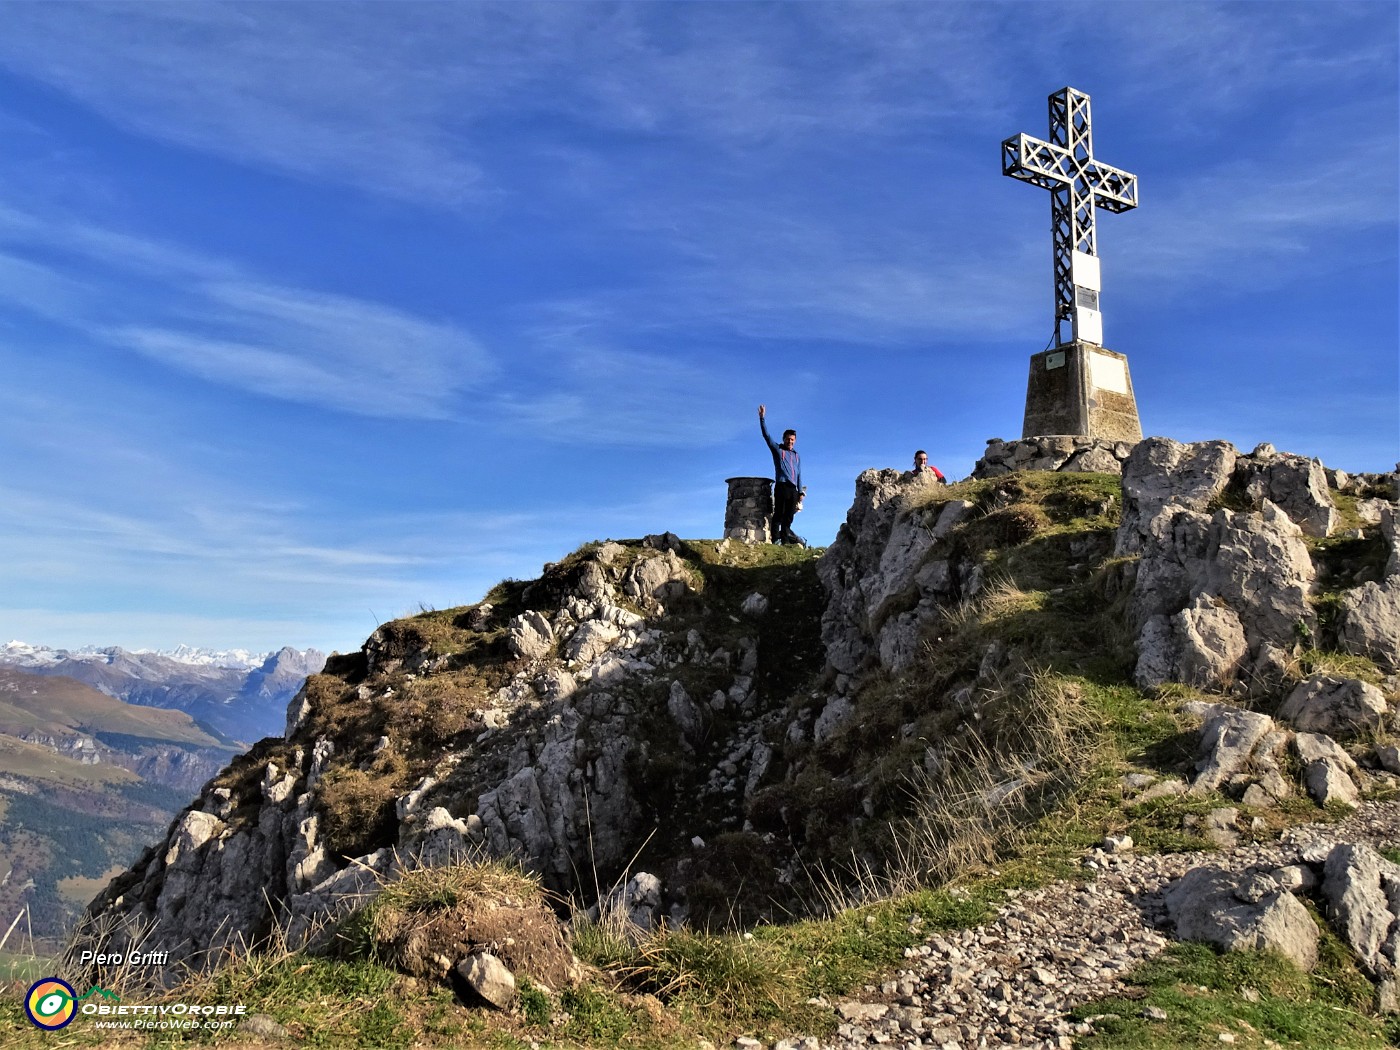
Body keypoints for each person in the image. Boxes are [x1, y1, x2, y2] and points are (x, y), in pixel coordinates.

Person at [758, 404, 805, 545]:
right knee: (779, 514)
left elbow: (799, 474)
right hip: (782, 486)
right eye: (787, 439)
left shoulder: (796, 456)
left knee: (789, 516)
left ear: (795, 441)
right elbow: (767, 436)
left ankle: (785, 540)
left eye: (792, 440)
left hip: (793, 489)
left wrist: (801, 491)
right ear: (783, 439)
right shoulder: (778, 450)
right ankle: (776, 539)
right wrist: (762, 418)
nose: (790, 441)